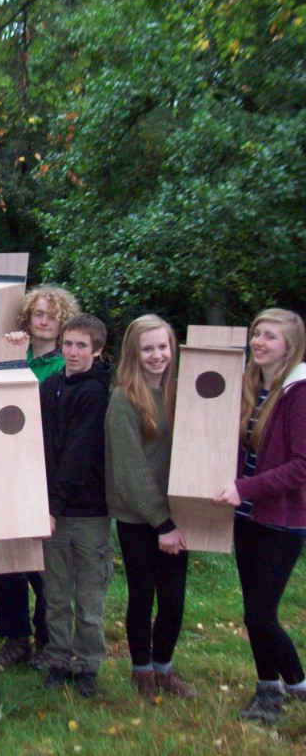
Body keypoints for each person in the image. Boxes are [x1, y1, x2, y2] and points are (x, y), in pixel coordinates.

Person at [213, 308, 306, 723]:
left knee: (260, 614)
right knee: (253, 609)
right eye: (257, 334)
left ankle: (298, 685)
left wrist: (244, 487)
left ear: (290, 345)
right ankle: (267, 690)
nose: (260, 342)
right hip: (246, 516)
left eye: (270, 336)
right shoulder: (251, 384)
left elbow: (302, 466)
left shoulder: (299, 391)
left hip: (282, 519)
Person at [0, 285, 80, 671]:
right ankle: (14, 638)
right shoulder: (13, 353)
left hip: (43, 470)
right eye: (37, 313)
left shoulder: (65, 364)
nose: (43, 320)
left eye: (51, 315)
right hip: (3, 466)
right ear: (27, 316)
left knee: (42, 561)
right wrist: (8, 353)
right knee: (5, 557)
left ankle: (47, 638)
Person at [106, 315, 196, 699]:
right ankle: (141, 673)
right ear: (134, 352)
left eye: (163, 347)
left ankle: (164, 669)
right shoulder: (124, 398)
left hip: (177, 513)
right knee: (143, 595)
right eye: (148, 348)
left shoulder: (184, 391)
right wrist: (162, 524)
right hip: (139, 516)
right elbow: (130, 471)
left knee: (173, 601)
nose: (157, 355)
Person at [39, 313, 112, 698]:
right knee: (55, 594)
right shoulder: (50, 386)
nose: (73, 352)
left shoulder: (97, 393)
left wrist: (54, 503)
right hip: (52, 508)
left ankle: (87, 666)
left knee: (87, 596)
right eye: (67, 344)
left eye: (82, 345)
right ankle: (58, 661)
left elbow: (77, 455)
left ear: (97, 351)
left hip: (87, 513)